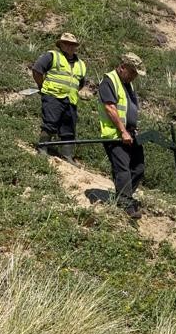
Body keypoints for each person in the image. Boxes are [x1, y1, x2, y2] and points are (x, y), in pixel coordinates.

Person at [97, 53, 146, 219]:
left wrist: (132, 129)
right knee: (122, 169)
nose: (133, 77)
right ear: (122, 67)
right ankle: (125, 204)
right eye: (132, 73)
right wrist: (123, 131)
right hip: (115, 134)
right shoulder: (109, 81)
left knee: (139, 168)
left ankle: (122, 196)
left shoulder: (128, 84)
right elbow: (110, 108)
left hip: (130, 133)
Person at [32, 33, 87, 164]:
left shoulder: (81, 64)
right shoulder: (52, 56)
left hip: (71, 100)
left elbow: (80, 83)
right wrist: (41, 86)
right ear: (61, 45)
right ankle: (43, 148)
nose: (69, 46)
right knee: (50, 123)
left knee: (69, 129)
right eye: (66, 43)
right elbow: (37, 70)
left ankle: (67, 155)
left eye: (72, 44)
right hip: (53, 96)